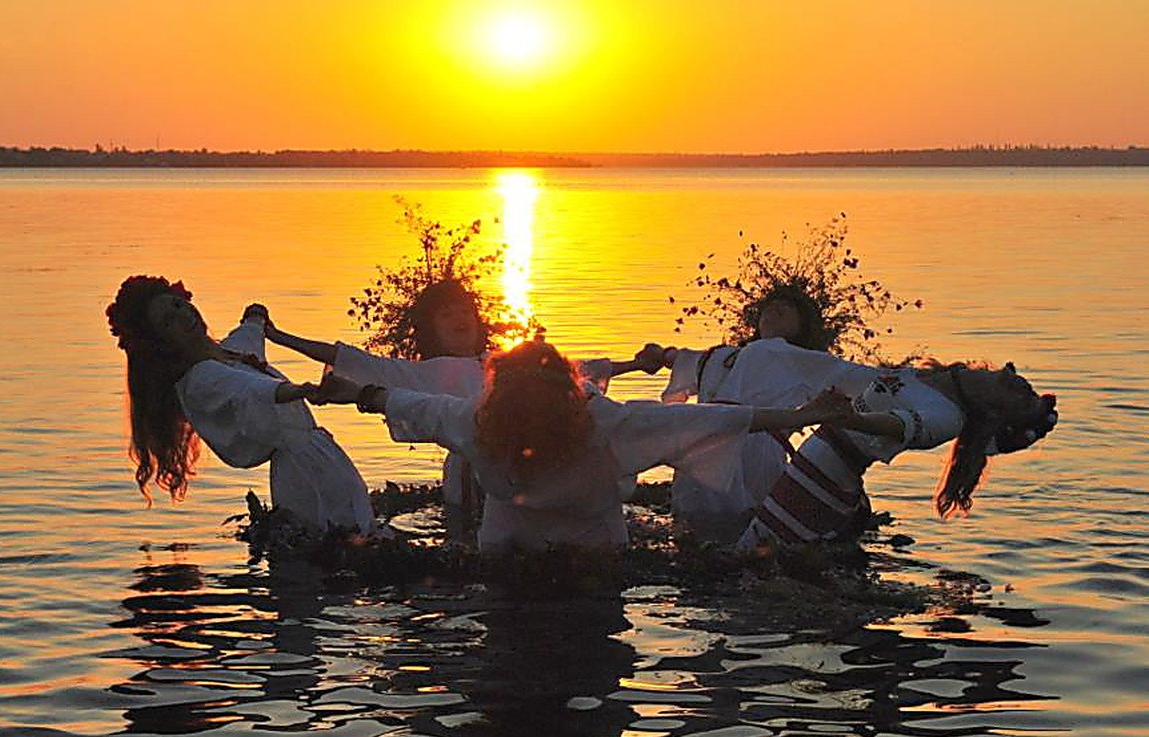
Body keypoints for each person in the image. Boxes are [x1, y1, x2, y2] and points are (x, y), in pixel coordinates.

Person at [310, 340, 856, 553]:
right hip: (594, 553)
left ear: (496, 383)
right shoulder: (605, 421)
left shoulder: (476, 420)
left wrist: (351, 390)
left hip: (505, 552)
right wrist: (806, 415)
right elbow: (717, 420)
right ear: (569, 384)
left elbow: (398, 401)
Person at [256, 279, 652, 529]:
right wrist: (278, 336)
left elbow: (574, 374)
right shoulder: (422, 373)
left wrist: (638, 363)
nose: (459, 317)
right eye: (446, 313)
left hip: (529, 464)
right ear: (431, 327)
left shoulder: (507, 362)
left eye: (464, 309)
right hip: (468, 473)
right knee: (469, 537)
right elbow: (353, 361)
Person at [105, 275, 375, 533]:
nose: (182, 315)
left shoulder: (228, 352)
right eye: (168, 321)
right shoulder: (200, 379)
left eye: (178, 305)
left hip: (320, 454)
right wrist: (306, 390)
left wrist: (255, 316)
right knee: (334, 535)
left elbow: (249, 335)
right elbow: (250, 390)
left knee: (355, 528)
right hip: (302, 471)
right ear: (160, 343)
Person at [629, 286, 879, 537]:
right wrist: (659, 354)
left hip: (755, 451)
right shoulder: (721, 355)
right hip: (701, 449)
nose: (775, 308)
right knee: (693, 527)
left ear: (804, 325)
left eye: (787, 308)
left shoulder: (802, 360)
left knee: (748, 528)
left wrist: (910, 378)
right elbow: (681, 359)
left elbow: (864, 378)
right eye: (770, 306)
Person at [739, 361, 1058, 552]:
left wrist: (848, 418)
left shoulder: (947, 418)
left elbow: (895, 426)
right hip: (822, 458)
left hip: (823, 480)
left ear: (992, 411)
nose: (1021, 382)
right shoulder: (934, 376)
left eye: (1023, 397)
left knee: (758, 558)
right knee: (754, 547)